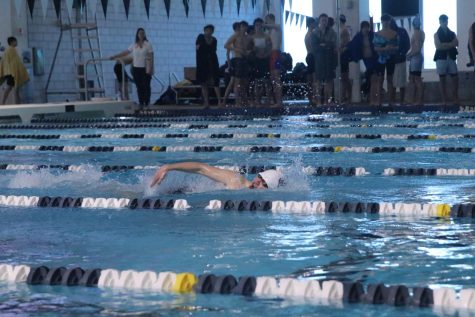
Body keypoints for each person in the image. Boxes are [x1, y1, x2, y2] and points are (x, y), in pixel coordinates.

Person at [150, 162, 283, 190]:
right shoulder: (236, 179)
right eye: (260, 177)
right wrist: (168, 167)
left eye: (263, 184)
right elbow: (202, 168)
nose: (257, 182)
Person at [110, 28, 154, 108]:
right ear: (137, 35)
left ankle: (147, 102)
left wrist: (150, 69)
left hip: (145, 68)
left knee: (146, 86)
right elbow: (125, 52)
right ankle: (141, 102)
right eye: (140, 33)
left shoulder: (148, 44)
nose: (141, 35)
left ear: (144, 34)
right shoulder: (134, 45)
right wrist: (115, 56)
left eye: (143, 33)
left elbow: (151, 57)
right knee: (139, 87)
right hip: (136, 69)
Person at [348, 21, 378, 105]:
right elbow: (351, 45)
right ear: (362, 28)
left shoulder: (372, 35)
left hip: (374, 58)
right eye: (365, 28)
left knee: (373, 77)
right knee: (371, 76)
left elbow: (379, 42)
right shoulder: (358, 37)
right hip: (366, 59)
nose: (366, 29)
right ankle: (370, 96)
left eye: (367, 28)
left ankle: (372, 97)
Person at [224, 21, 253, 107]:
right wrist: (237, 49)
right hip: (237, 60)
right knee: (237, 82)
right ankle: (237, 102)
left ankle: (244, 101)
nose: (244, 28)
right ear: (240, 27)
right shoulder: (236, 35)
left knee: (244, 82)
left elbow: (252, 47)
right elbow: (226, 45)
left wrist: (249, 51)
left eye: (245, 26)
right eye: (242, 26)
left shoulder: (248, 37)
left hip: (244, 60)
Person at [312, 13, 337, 106]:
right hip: (319, 60)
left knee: (329, 81)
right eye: (323, 20)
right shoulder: (315, 32)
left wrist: (322, 44)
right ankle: (319, 101)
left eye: (326, 21)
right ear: (319, 21)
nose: (324, 22)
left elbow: (333, 45)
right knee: (318, 81)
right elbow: (314, 47)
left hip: (329, 59)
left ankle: (328, 101)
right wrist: (326, 45)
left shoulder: (332, 32)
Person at [373, 14, 399, 106]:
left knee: (390, 79)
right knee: (379, 80)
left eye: (387, 21)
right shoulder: (377, 34)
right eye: (384, 21)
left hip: (391, 58)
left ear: (390, 22)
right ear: (382, 22)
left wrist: (391, 48)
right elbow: (375, 48)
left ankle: (390, 101)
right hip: (381, 59)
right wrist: (385, 49)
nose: (386, 23)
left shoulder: (394, 34)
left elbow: (397, 47)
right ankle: (379, 101)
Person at [434, 14, 459, 105]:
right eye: (443, 21)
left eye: (446, 21)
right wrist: (450, 44)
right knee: (442, 79)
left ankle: (455, 97)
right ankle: (444, 99)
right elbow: (439, 46)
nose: (445, 23)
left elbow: (456, 43)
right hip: (441, 58)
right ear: (440, 22)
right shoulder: (436, 34)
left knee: (455, 78)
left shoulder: (452, 33)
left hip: (451, 58)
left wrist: (445, 44)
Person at [196, 24, 222, 108]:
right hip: (202, 63)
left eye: (210, 30)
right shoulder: (200, 37)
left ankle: (219, 102)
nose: (209, 31)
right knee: (204, 83)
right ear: (204, 30)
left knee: (216, 83)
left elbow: (213, 51)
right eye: (207, 30)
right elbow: (198, 49)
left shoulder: (214, 40)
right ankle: (206, 103)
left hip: (212, 62)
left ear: (212, 31)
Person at [0, 37, 29, 105]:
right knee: (11, 88)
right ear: (12, 42)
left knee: (16, 88)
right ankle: (3, 103)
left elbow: (8, 62)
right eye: (15, 41)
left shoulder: (9, 50)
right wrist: (18, 71)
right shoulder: (11, 50)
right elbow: (15, 63)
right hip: (12, 73)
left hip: (9, 72)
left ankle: (18, 103)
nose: (16, 42)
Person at [251, 18, 272, 106]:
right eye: (257, 25)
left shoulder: (267, 36)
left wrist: (266, 53)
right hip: (256, 60)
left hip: (265, 59)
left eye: (260, 25)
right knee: (257, 82)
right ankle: (257, 100)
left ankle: (268, 99)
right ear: (254, 26)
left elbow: (271, 48)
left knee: (267, 81)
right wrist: (253, 49)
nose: (258, 27)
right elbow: (249, 50)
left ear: (263, 26)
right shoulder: (252, 37)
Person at [264, 14, 283, 107]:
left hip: (276, 54)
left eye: (266, 20)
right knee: (273, 79)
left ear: (270, 19)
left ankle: (279, 101)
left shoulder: (277, 27)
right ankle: (276, 101)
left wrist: (262, 25)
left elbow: (273, 26)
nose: (266, 22)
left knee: (277, 78)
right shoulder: (270, 31)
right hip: (271, 54)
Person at [406, 17, 425, 106]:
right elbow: (416, 48)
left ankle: (419, 101)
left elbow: (417, 49)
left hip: (416, 58)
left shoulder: (417, 33)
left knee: (417, 80)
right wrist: (409, 54)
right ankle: (416, 100)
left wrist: (409, 55)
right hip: (417, 58)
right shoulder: (421, 33)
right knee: (414, 79)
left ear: (413, 25)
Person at [391, 19, 410, 105]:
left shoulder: (402, 31)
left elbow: (407, 45)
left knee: (401, 81)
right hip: (391, 60)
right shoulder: (388, 33)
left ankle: (401, 101)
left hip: (400, 59)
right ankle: (393, 100)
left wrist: (402, 53)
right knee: (392, 82)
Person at [223, 22, 240, 106]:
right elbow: (227, 53)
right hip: (234, 61)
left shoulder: (241, 37)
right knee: (233, 81)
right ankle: (225, 101)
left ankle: (227, 100)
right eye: (238, 27)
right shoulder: (233, 37)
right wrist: (229, 65)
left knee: (235, 82)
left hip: (238, 61)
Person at [339, 14, 351, 103]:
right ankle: (345, 96)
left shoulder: (344, 30)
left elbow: (346, 43)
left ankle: (345, 96)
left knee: (344, 77)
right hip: (343, 54)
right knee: (344, 77)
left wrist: (340, 49)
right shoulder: (343, 30)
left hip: (344, 55)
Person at [305, 17, 317, 105]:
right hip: (312, 56)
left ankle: (311, 97)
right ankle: (313, 98)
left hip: (309, 56)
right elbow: (313, 48)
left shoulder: (308, 34)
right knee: (314, 79)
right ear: (310, 24)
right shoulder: (311, 34)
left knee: (311, 79)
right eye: (314, 23)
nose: (315, 25)